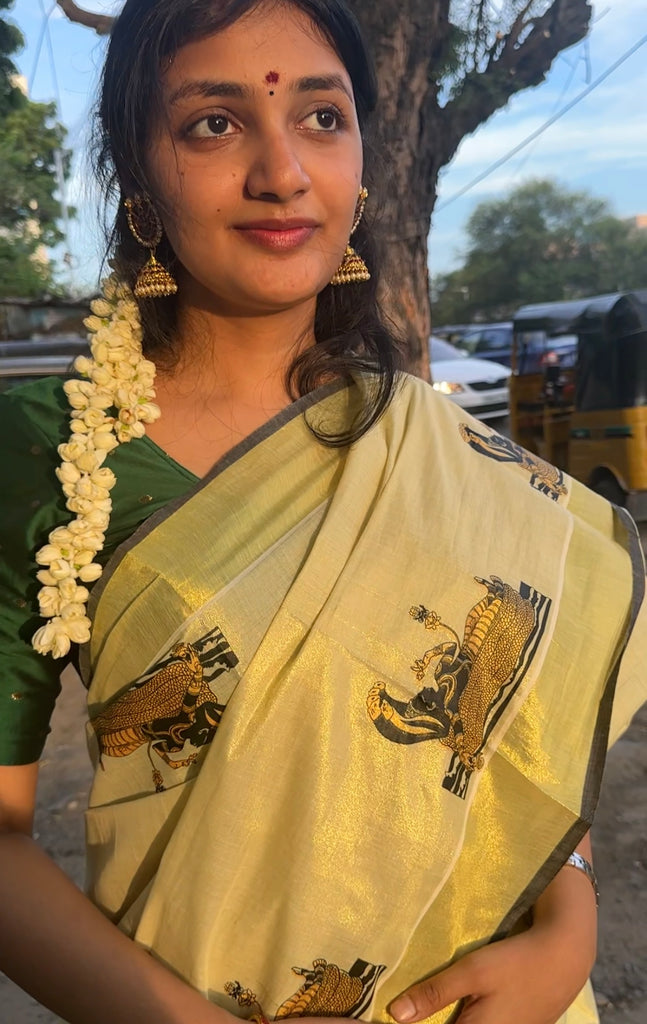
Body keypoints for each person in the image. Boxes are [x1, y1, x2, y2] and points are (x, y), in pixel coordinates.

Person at [0, 2, 645, 1023]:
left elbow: (523, 738)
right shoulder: (48, 447)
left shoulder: (430, 449)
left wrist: (569, 921)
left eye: (321, 117)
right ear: (136, 174)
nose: (283, 171)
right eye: (214, 123)